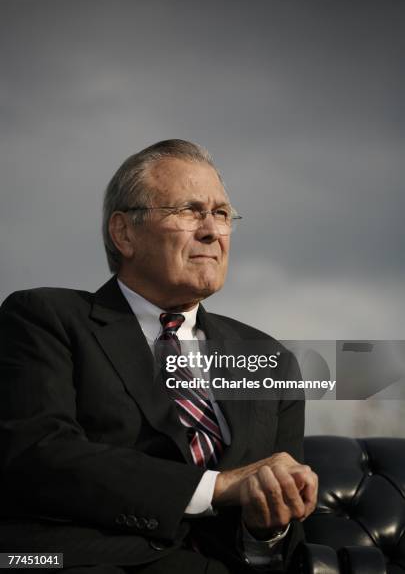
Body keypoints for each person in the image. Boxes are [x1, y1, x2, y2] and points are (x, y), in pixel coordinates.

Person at [0, 140, 318, 573]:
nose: (212, 231)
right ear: (124, 233)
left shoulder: (270, 359)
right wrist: (219, 486)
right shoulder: (46, 319)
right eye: (189, 211)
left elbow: (278, 542)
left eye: (222, 215)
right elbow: (40, 455)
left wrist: (265, 531)